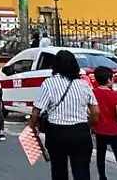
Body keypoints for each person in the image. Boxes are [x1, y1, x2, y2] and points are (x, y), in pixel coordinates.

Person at [30, 49, 99, 180]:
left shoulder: (49, 83)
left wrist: (33, 127)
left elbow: (36, 112)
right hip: (80, 132)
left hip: (57, 133)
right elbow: (96, 113)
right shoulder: (83, 85)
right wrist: (87, 126)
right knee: (82, 172)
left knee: (58, 170)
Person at [92, 66, 117, 180]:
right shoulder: (114, 94)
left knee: (100, 155)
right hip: (114, 130)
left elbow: (90, 110)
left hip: (99, 129)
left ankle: (102, 176)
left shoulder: (93, 93)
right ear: (109, 80)